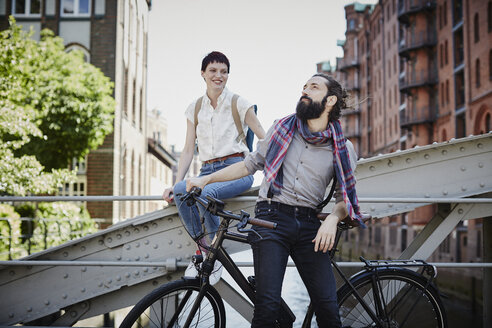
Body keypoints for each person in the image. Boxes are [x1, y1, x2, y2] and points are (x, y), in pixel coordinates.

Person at [186, 73, 364, 327]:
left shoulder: (343, 148)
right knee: (267, 308)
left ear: (330, 100)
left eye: (313, 87)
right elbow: (249, 165)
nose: (304, 90)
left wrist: (333, 219)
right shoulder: (282, 129)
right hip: (270, 218)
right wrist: (205, 180)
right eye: (303, 86)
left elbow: (345, 198)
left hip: (310, 226)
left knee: (328, 310)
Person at [162, 51, 266, 284]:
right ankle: (204, 248)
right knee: (181, 190)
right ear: (203, 74)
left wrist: (263, 169)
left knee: (206, 194)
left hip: (237, 168)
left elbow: (264, 138)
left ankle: (214, 257)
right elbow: (189, 149)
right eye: (213, 71)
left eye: (223, 71)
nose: (218, 76)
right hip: (206, 171)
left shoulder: (240, 103)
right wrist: (175, 182)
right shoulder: (195, 108)